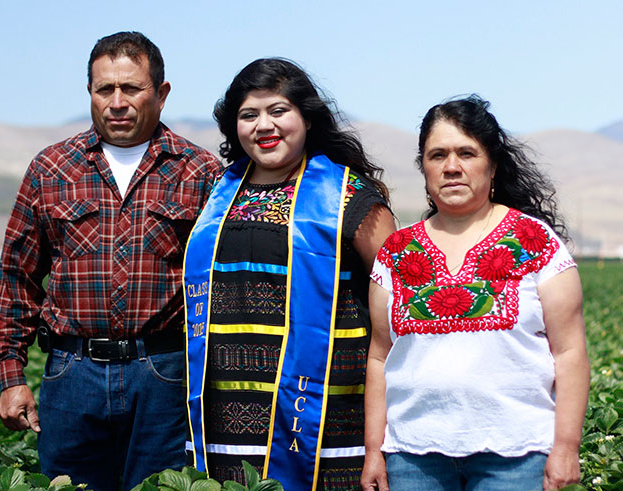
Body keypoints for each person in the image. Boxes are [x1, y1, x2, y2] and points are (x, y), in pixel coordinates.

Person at [0, 31, 222, 490]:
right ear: (90, 93)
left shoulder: (200, 172)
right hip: (72, 373)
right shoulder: (51, 168)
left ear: (161, 93)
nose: (117, 102)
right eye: (104, 89)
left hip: (164, 372)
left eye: (131, 88)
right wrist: (11, 375)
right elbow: (18, 278)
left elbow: (220, 284)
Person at [183, 58, 397, 490]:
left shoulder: (348, 196)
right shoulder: (218, 192)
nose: (264, 125)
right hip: (226, 418)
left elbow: (398, 301)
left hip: (326, 418)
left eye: (278, 111)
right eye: (249, 115)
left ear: (306, 118)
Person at [361, 95, 590, 491]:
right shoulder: (397, 253)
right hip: (413, 457)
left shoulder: (535, 243)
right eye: (438, 155)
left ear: (492, 164)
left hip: (517, 456)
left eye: (467, 153)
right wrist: (373, 450)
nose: (452, 167)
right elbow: (380, 357)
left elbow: (569, 352)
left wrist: (566, 446)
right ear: (424, 167)